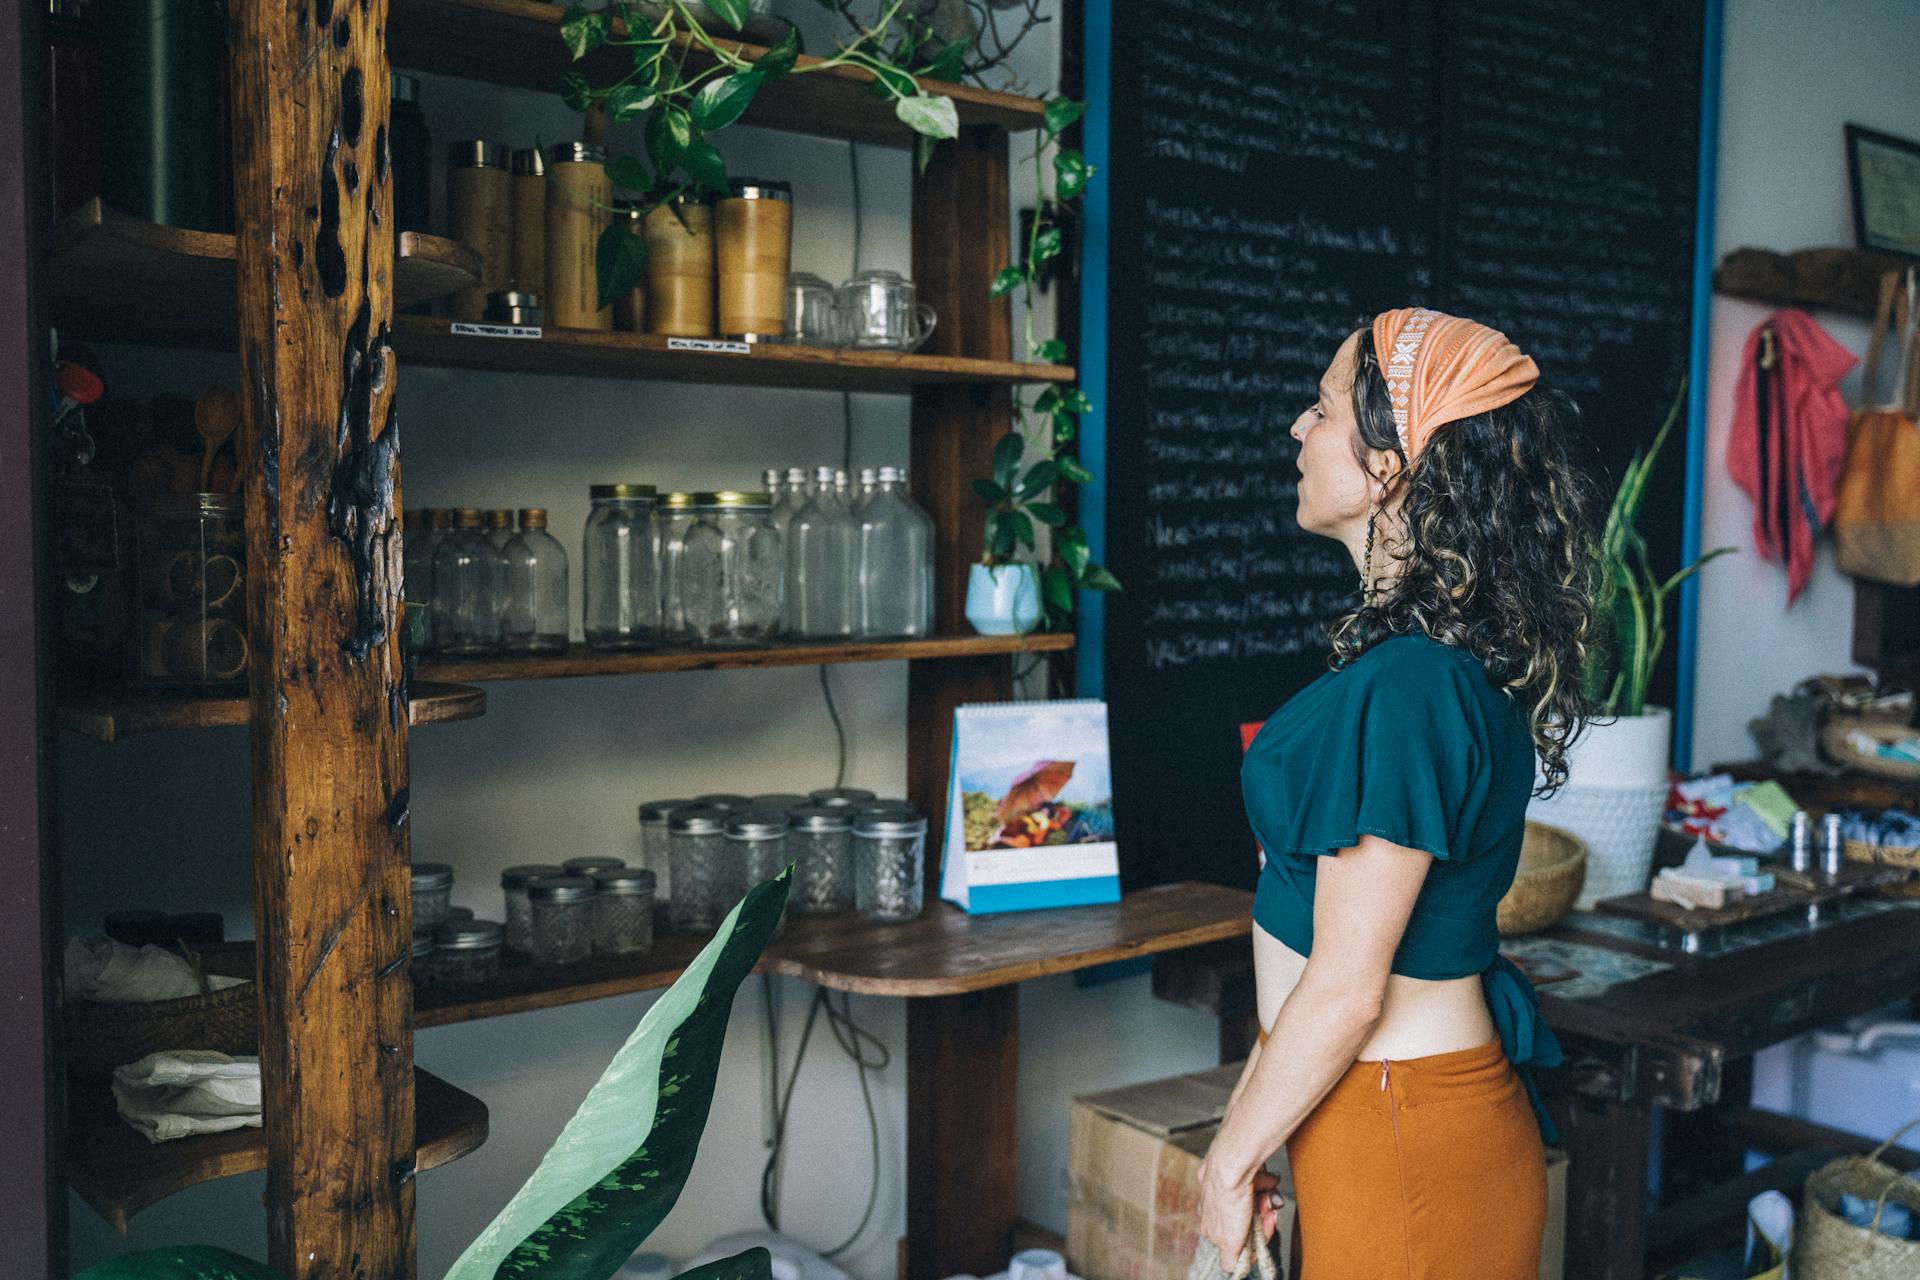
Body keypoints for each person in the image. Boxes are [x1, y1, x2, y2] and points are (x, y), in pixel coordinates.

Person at [1196, 308, 1607, 1279]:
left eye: (1325, 408)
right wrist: (1252, 1128)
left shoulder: (1412, 683)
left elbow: (1344, 987)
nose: (1298, 428)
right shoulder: (1421, 670)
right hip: (1373, 1108)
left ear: (1394, 466)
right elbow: (1312, 977)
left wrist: (1224, 1162)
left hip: (1402, 1122)